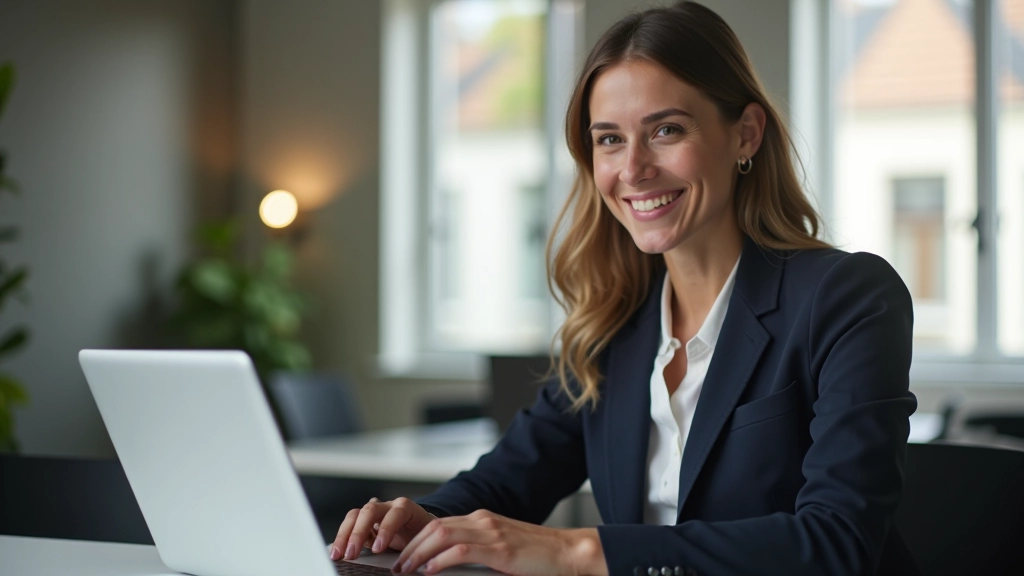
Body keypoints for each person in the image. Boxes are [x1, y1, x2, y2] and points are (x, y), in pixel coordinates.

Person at [331, 2, 919, 574]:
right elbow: (505, 482)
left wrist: (577, 552)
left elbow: (837, 544)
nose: (633, 169)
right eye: (609, 139)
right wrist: (420, 519)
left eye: (666, 129)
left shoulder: (848, 296)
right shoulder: (613, 325)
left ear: (745, 134)